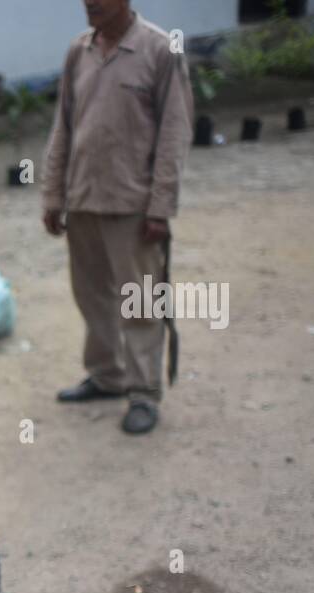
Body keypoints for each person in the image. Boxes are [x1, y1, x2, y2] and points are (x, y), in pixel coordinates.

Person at [42, 0, 193, 435]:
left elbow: (175, 134)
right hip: (84, 197)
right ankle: (109, 376)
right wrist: (53, 196)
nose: (89, 5)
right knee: (92, 295)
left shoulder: (161, 50)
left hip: (134, 205)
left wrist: (161, 208)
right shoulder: (79, 50)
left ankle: (144, 392)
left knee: (141, 301)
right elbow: (64, 126)